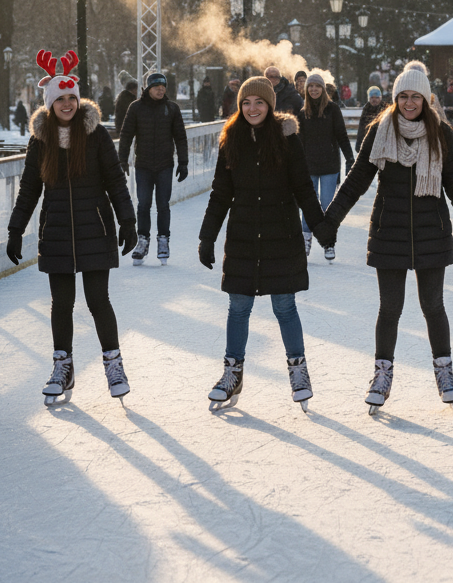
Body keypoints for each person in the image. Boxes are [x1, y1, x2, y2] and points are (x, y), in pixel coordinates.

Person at [313, 60, 453, 411]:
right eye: (403, 96)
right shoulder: (381, 131)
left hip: (432, 232)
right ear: (395, 98)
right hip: (388, 231)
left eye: (416, 97)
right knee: (390, 308)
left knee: (433, 306)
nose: (409, 103)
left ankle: (444, 371)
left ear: (426, 99)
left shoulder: (441, 134)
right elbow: (357, 181)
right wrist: (329, 222)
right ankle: (382, 374)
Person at [7, 48, 137, 406]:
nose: (66, 104)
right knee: (61, 304)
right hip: (58, 232)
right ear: (50, 103)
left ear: (78, 100)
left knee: (98, 301)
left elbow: (115, 179)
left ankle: (113, 364)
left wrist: (128, 220)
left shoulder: (95, 136)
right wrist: (15, 229)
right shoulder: (41, 141)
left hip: (95, 228)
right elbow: (30, 188)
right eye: (60, 99)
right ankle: (63, 367)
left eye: (71, 98)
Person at [197, 76, 325, 412]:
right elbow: (221, 193)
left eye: (259, 102)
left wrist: (321, 226)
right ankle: (232, 373)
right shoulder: (231, 141)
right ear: (240, 106)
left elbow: (303, 188)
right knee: (238, 308)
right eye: (246, 103)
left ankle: (298, 371)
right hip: (242, 237)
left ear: (270, 105)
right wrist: (207, 236)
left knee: (284, 307)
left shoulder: (286, 140)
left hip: (280, 237)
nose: (252, 108)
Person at [117, 70, 189, 266]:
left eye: (163, 86)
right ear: (148, 88)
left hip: (165, 164)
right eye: (157, 86)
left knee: (163, 205)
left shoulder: (172, 108)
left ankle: (163, 240)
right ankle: (143, 240)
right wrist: (122, 161)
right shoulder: (136, 108)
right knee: (143, 204)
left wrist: (183, 162)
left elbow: (180, 137)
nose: (161, 89)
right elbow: (126, 135)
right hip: (144, 165)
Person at [297, 71, 353, 258]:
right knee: (308, 205)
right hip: (308, 167)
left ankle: (329, 242)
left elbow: (341, 136)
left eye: (317, 86)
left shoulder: (332, 109)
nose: (314, 89)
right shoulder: (303, 113)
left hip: (329, 166)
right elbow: (299, 142)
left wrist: (350, 158)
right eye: (310, 86)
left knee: (328, 205)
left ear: (322, 89)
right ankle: (306, 238)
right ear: (307, 90)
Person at [356, 85, 389, 152]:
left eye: (376, 98)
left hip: (383, 143)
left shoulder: (386, 109)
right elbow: (361, 127)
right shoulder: (366, 109)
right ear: (369, 99)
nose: (374, 100)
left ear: (380, 98)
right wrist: (359, 144)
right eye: (372, 98)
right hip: (368, 142)